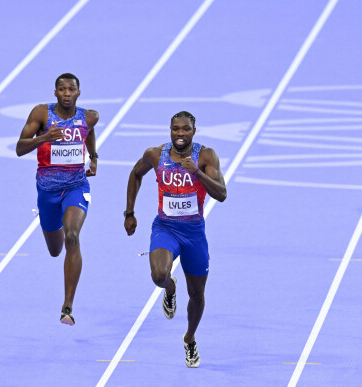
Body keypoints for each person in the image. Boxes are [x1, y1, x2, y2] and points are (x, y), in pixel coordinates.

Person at [124, 111, 227, 367]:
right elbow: (135, 174)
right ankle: (170, 289)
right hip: (166, 228)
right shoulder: (155, 154)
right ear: (170, 130)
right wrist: (129, 212)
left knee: (198, 295)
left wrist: (198, 174)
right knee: (159, 275)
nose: (180, 133)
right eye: (175, 129)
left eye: (185, 129)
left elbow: (222, 194)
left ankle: (190, 338)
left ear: (194, 131)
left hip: (194, 233)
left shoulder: (206, 156)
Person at [16, 73, 99, 326]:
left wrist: (94, 156)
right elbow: (20, 148)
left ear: (78, 93)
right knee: (55, 250)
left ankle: (67, 306)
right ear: (55, 93)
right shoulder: (42, 114)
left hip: (76, 186)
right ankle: (54, 221)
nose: (66, 93)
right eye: (61, 89)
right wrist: (43, 138)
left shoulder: (89, 116)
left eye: (70, 89)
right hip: (47, 192)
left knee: (72, 236)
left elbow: (88, 132)